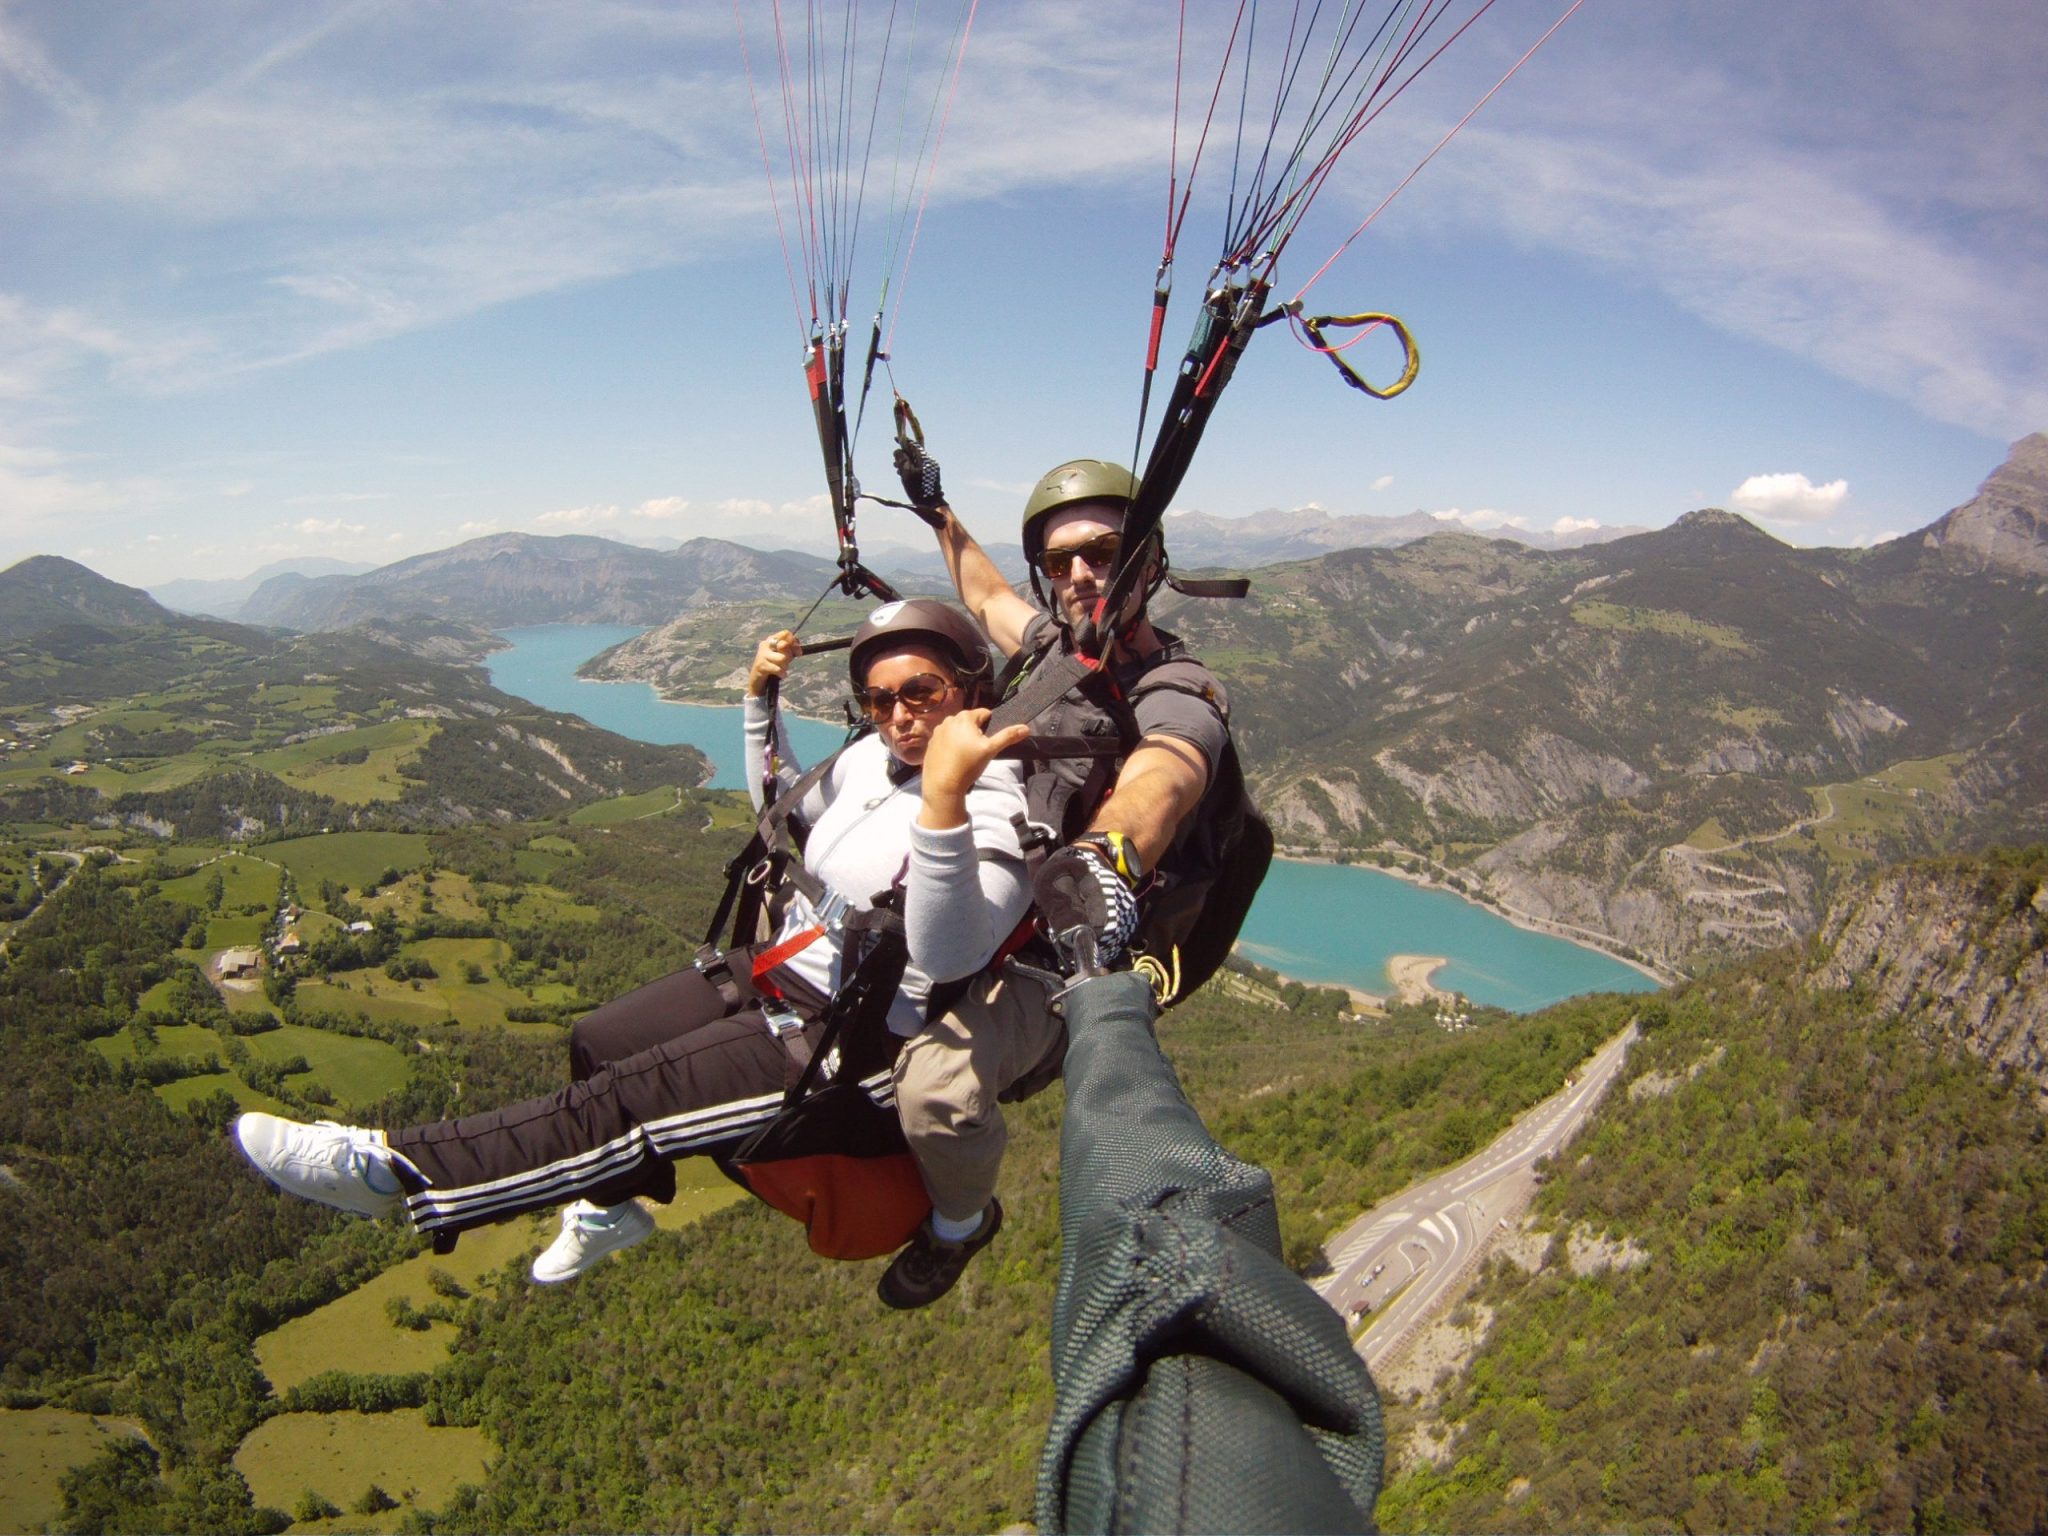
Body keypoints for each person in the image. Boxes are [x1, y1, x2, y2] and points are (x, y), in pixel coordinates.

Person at [232, 599, 1034, 1284]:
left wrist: (947, 799)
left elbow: (951, 952)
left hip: (850, 1039)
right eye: (878, 697)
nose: (898, 714)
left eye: (921, 692)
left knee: (627, 1105)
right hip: (775, 973)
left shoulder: (992, 803)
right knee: (598, 1040)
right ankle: (611, 1209)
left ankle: (396, 1170)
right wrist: (762, 698)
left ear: (969, 687)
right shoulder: (876, 760)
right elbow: (784, 809)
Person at [872, 450, 1252, 1310]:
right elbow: (985, 596)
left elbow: (1169, 771)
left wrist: (1106, 858)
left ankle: (961, 1222)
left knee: (935, 1090)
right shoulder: (1057, 648)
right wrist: (938, 513)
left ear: (1148, 560)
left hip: (1074, 936)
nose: (1080, 574)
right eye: (1059, 561)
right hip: (1011, 881)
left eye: (1104, 552)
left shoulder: (1176, 687)